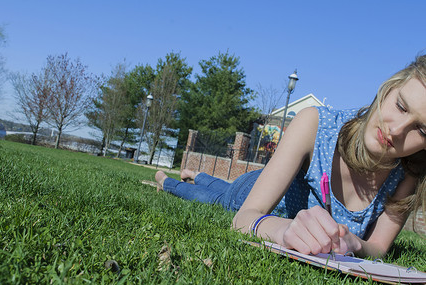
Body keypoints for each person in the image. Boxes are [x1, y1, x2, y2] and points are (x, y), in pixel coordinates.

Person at [155, 55, 426, 258]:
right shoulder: (315, 124)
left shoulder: (407, 173)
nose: (397, 130)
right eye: (401, 106)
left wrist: (357, 244)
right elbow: (245, 218)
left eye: (422, 130)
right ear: (388, 88)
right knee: (215, 198)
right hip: (251, 193)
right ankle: (166, 180)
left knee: (218, 188)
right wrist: (285, 232)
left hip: (265, 195)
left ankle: (198, 175)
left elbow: (378, 247)